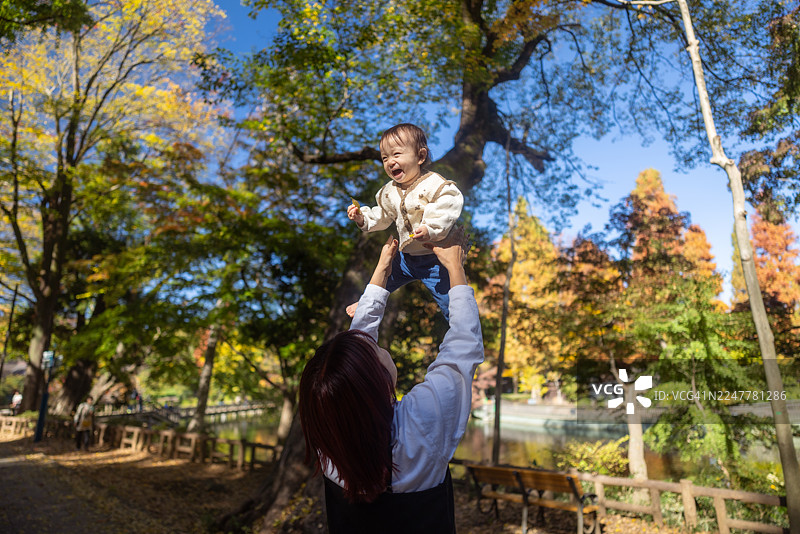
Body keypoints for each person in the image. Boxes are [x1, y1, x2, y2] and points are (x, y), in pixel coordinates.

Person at [298, 236, 483, 533]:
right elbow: (463, 346)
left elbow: (353, 366)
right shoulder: (422, 427)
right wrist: (455, 267)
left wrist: (383, 268)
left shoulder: (330, 440)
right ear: (381, 384)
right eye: (375, 351)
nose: (377, 345)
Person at [347, 123, 467, 320]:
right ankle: (366, 301)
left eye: (396, 154)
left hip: (434, 258)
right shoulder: (388, 192)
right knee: (383, 278)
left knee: (450, 302)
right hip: (406, 258)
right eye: (384, 158)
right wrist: (362, 217)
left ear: (420, 156)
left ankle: (461, 327)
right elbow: (382, 215)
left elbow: (448, 204)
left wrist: (430, 228)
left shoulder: (433, 184)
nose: (390, 162)